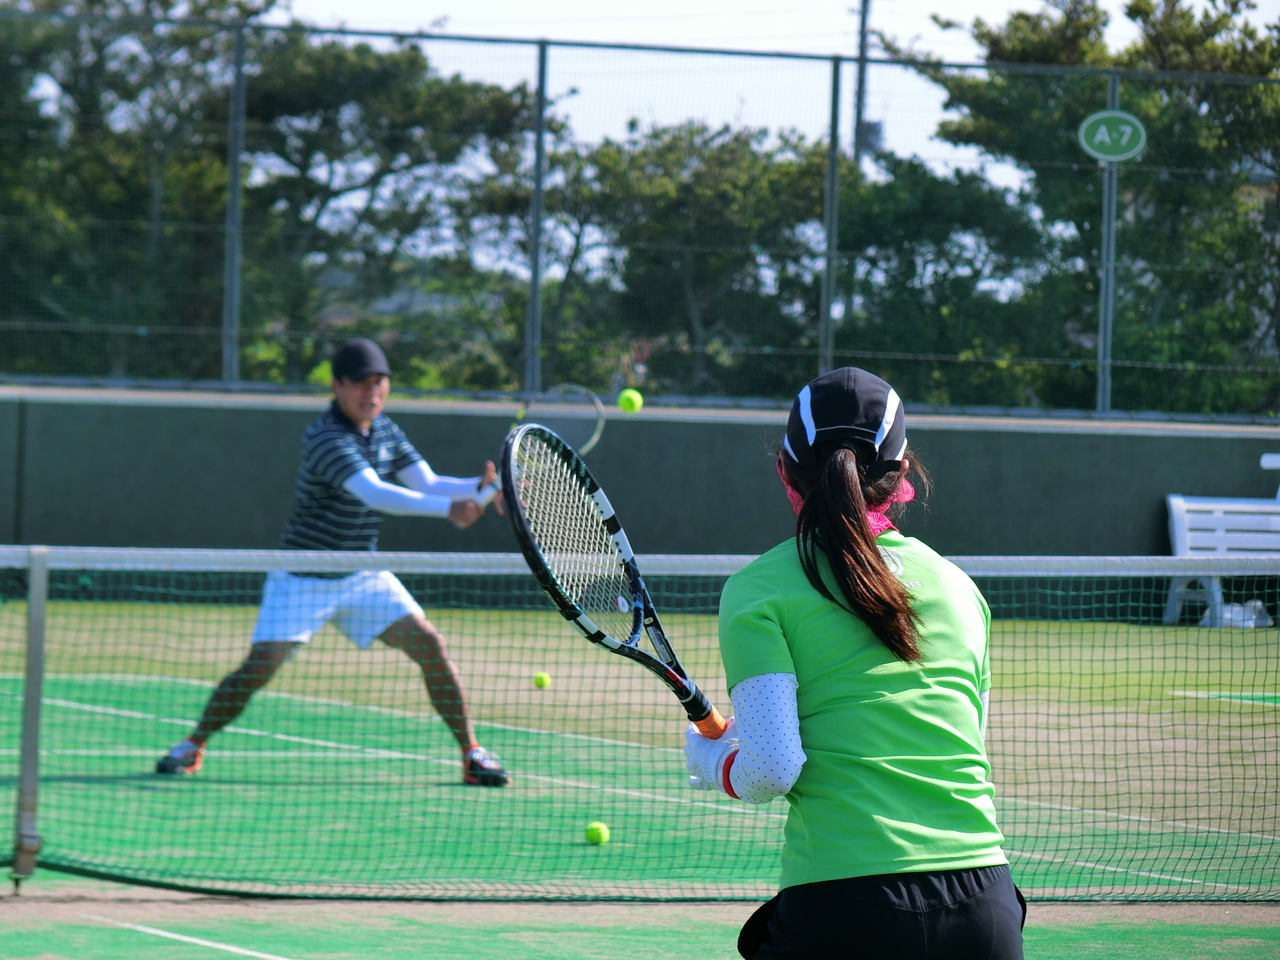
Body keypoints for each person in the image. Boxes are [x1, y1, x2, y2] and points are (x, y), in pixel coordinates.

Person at [684, 367, 1024, 958]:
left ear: (786, 472)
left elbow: (770, 769)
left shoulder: (757, 591)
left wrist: (713, 760)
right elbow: (957, 738)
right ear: (902, 474)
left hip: (844, 909)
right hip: (985, 908)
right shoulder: (959, 588)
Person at [156, 337, 509, 787]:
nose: (373, 393)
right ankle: (193, 744)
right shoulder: (325, 437)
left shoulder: (386, 430)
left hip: (362, 574)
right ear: (337, 385)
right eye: (362, 383)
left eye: (380, 383)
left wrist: (484, 487)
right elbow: (376, 493)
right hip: (304, 576)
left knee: (431, 646)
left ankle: (472, 755)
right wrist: (450, 509)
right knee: (258, 669)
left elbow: (429, 481)